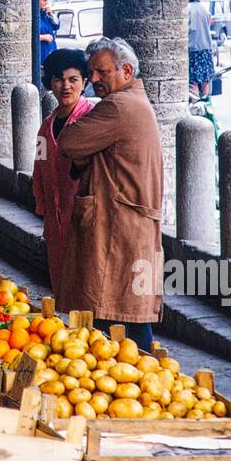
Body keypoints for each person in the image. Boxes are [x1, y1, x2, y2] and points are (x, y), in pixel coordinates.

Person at [56, 37, 163, 351]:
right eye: (92, 73)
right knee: (126, 312)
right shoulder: (132, 102)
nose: (95, 80)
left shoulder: (119, 106)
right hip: (128, 224)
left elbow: (69, 142)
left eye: (101, 72)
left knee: (113, 313)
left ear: (127, 71)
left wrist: (84, 153)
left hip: (120, 227)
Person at [32, 48, 95, 295]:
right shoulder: (46, 126)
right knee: (61, 288)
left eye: (73, 79)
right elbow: (39, 168)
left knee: (86, 291)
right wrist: (43, 209)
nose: (65, 86)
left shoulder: (91, 119)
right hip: (55, 224)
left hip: (84, 221)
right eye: (59, 79)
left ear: (84, 82)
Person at [187, 0, 214, 99]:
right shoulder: (204, 9)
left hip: (193, 50)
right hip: (206, 49)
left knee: (192, 81)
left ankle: (196, 107)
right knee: (205, 80)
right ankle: (206, 105)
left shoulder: (187, 9)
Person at [38, 0, 59, 64]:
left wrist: (51, 14)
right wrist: (43, 37)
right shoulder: (33, 16)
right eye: (44, 0)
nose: (46, 3)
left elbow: (56, 26)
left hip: (51, 52)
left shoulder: (45, 14)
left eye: (47, 0)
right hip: (40, 53)